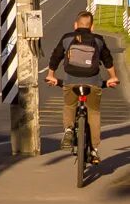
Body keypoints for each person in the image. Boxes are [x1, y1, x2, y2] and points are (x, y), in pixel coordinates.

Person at [45, 10, 120, 162]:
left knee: (69, 105)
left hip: (70, 82)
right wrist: (113, 77)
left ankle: (68, 129)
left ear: (75, 25)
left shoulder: (67, 38)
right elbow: (108, 60)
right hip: (93, 83)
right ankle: (94, 150)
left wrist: (51, 75)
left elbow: (56, 56)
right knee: (94, 112)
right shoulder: (98, 40)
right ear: (92, 27)